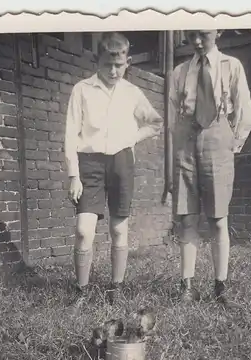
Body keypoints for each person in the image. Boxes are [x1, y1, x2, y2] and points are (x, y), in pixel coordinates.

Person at [65, 32, 163, 304]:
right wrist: (74, 174)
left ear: (128, 62)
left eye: (118, 65)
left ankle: (115, 288)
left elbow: (155, 123)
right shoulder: (82, 90)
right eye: (107, 64)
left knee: (119, 229)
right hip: (89, 163)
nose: (112, 71)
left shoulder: (132, 93)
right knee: (84, 229)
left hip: (121, 161)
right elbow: (71, 135)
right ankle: (81, 292)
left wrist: (131, 138)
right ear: (97, 61)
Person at [168, 29, 251, 307]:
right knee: (187, 217)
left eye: (203, 35)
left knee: (218, 218)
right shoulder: (180, 72)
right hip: (186, 141)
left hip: (218, 138)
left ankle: (220, 288)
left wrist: (232, 143)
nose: (196, 42)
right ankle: (187, 287)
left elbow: (245, 111)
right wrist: (180, 140)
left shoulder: (231, 66)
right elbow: (171, 114)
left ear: (218, 31)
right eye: (192, 35)